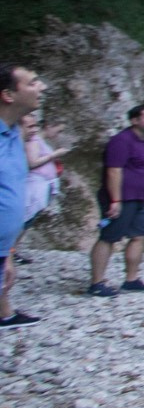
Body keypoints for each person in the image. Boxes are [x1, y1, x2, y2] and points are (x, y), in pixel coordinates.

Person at [90, 102, 144, 296]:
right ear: (135, 120)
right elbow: (114, 171)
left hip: (138, 199)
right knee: (108, 237)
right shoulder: (121, 141)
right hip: (122, 199)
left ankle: (131, 279)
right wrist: (115, 200)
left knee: (139, 236)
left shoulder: (143, 142)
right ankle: (96, 283)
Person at [0, 66, 49, 329]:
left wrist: (8, 253)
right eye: (32, 83)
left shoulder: (12, 133)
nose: (41, 87)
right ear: (8, 95)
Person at [21, 110, 67, 230]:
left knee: (28, 220)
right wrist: (54, 155)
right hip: (35, 186)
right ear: (49, 126)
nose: (58, 135)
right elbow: (33, 162)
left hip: (42, 187)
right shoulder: (35, 140)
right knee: (24, 218)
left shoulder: (42, 142)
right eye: (58, 131)